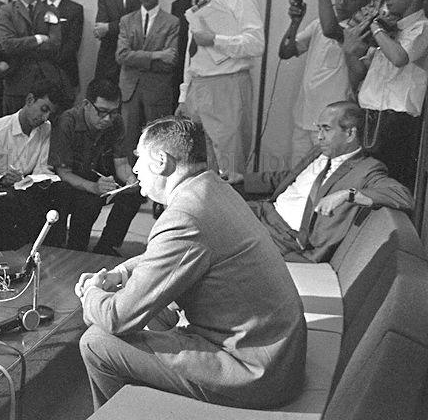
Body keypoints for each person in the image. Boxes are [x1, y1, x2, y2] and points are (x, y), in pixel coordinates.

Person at [76, 116, 306, 411]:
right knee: (151, 310)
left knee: (97, 341)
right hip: (276, 358)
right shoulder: (213, 189)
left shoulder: (185, 215)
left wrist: (92, 293)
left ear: (160, 160)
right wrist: (122, 272)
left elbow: (116, 318)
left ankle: (125, 413)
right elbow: (171, 257)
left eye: (139, 159)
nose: (134, 170)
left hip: (252, 372)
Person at [229, 102, 412, 263]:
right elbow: (291, 177)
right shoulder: (319, 152)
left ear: (350, 133)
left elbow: (403, 195)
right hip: (263, 211)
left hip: (284, 237)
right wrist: (244, 179)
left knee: (216, 242)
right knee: (208, 214)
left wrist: (347, 194)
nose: (319, 136)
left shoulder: (367, 169)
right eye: (319, 129)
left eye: (326, 129)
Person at [176, 0, 264, 175]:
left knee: (229, 166)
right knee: (197, 166)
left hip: (228, 85)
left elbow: (256, 43)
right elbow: (190, 54)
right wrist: (184, 95)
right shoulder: (197, 4)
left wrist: (215, 39)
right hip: (198, 88)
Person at [343, 0, 428, 190]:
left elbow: (400, 58)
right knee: (361, 187)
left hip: (397, 125)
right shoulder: (390, 29)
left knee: (387, 190)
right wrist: (350, 52)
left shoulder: (421, 28)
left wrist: (375, 26)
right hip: (369, 117)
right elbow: (360, 75)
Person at [278, 0, 375, 163]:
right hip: (304, 118)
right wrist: (295, 22)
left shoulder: (359, 32)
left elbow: (331, 29)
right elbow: (286, 52)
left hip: (332, 124)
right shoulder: (317, 24)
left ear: (364, 3)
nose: (341, 2)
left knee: (320, 180)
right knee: (293, 175)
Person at [48, 79, 143, 255]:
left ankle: (107, 246)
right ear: (86, 104)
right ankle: (70, 248)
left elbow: (121, 162)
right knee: (84, 203)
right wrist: (94, 187)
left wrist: (131, 179)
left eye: (114, 112)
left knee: (135, 194)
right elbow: (64, 173)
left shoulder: (116, 122)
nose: (108, 118)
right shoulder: (67, 121)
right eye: (102, 112)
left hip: (99, 180)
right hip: (71, 183)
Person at [0, 79, 65, 249]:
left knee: (59, 192)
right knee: (18, 199)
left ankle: (49, 250)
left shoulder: (46, 128)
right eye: (43, 109)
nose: (45, 117)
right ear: (29, 100)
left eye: (50, 113)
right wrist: (2, 179)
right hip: (0, 188)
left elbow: (42, 168)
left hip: (28, 186)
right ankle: (17, 250)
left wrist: (29, 179)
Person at [116, 0, 179, 159]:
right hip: (129, 90)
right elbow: (121, 56)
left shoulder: (172, 22)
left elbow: (170, 61)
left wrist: (137, 58)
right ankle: (126, 183)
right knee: (126, 141)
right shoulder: (127, 20)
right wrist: (156, 55)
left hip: (157, 91)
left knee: (158, 143)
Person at [0, 0, 67, 114]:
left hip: (45, 81)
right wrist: (38, 39)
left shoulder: (50, 10)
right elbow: (8, 45)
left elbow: (55, 44)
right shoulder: (7, 11)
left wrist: (22, 45)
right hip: (17, 81)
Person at [40, 0, 84, 100]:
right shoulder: (37, 9)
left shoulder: (74, 9)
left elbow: (73, 44)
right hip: (41, 73)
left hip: (65, 72)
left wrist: (53, 64)